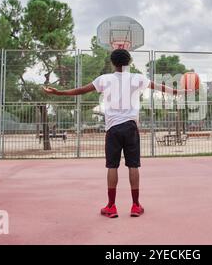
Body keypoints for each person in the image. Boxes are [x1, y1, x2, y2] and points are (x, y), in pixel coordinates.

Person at [43, 49, 188, 218]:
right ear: (130, 62)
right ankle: (135, 206)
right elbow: (161, 87)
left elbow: (81, 90)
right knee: (133, 165)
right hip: (130, 127)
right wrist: (181, 92)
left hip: (113, 128)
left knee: (112, 166)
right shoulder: (137, 78)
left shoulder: (104, 79)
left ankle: (111, 207)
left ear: (112, 62)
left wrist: (59, 92)